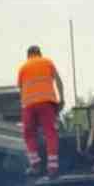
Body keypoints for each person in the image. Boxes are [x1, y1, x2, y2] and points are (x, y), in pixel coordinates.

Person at [16, 45, 66, 177]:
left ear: (28, 55)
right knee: (50, 133)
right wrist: (62, 99)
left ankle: (35, 164)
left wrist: (24, 106)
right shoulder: (47, 62)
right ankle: (52, 167)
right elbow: (59, 82)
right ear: (40, 53)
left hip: (29, 105)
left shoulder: (23, 68)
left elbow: (21, 90)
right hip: (47, 103)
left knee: (29, 134)